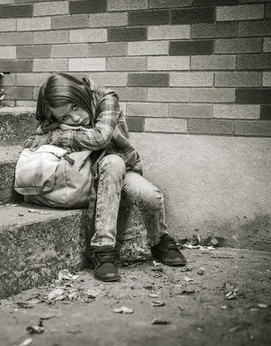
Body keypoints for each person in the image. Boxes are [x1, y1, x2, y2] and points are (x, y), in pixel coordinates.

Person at [25, 73, 186, 282]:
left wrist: (59, 135)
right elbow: (32, 140)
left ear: (80, 93)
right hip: (84, 174)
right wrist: (47, 134)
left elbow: (100, 137)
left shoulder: (105, 99)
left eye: (75, 107)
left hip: (123, 168)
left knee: (150, 196)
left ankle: (159, 241)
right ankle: (103, 250)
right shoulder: (53, 113)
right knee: (112, 164)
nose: (75, 118)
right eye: (64, 117)